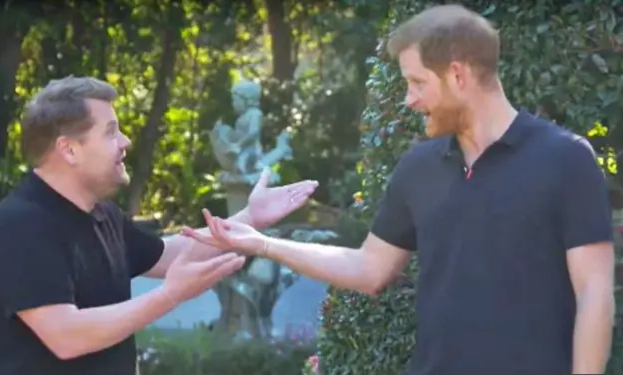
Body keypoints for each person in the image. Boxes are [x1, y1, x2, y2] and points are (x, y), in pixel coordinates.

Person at [184, 4, 616, 375]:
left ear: (458, 74)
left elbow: (594, 291)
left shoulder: (565, 159)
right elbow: (369, 269)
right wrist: (263, 244)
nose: (409, 98)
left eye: (417, 82)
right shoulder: (419, 167)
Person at [0, 76, 318, 375]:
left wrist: (249, 218)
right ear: (69, 150)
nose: (125, 141)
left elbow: (170, 254)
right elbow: (66, 336)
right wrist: (170, 295)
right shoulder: (19, 225)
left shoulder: (101, 213)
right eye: (111, 132)